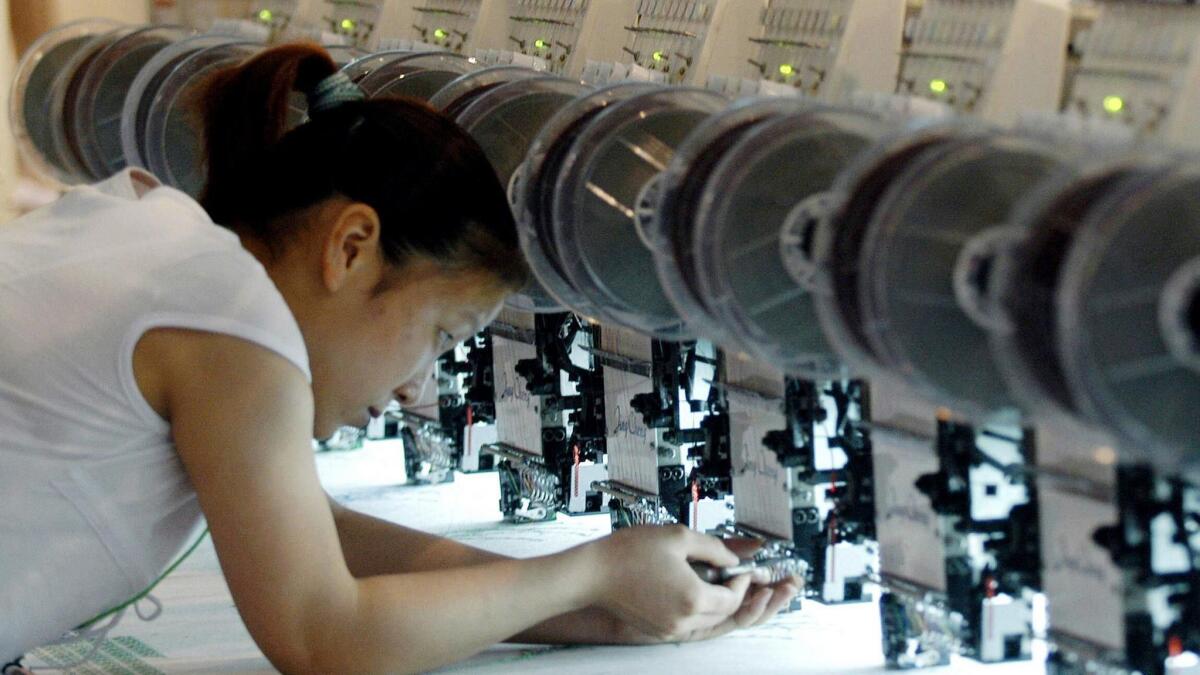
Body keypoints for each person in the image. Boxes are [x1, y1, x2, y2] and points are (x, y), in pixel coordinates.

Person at [0, 43, 799, 673]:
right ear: (351, 246)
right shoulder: (229, 323)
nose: (421, 383)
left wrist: (608, 604)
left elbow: (320, 533)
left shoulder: (153, 224)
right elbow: (324, 636)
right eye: (443, 333)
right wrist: (590, 573)